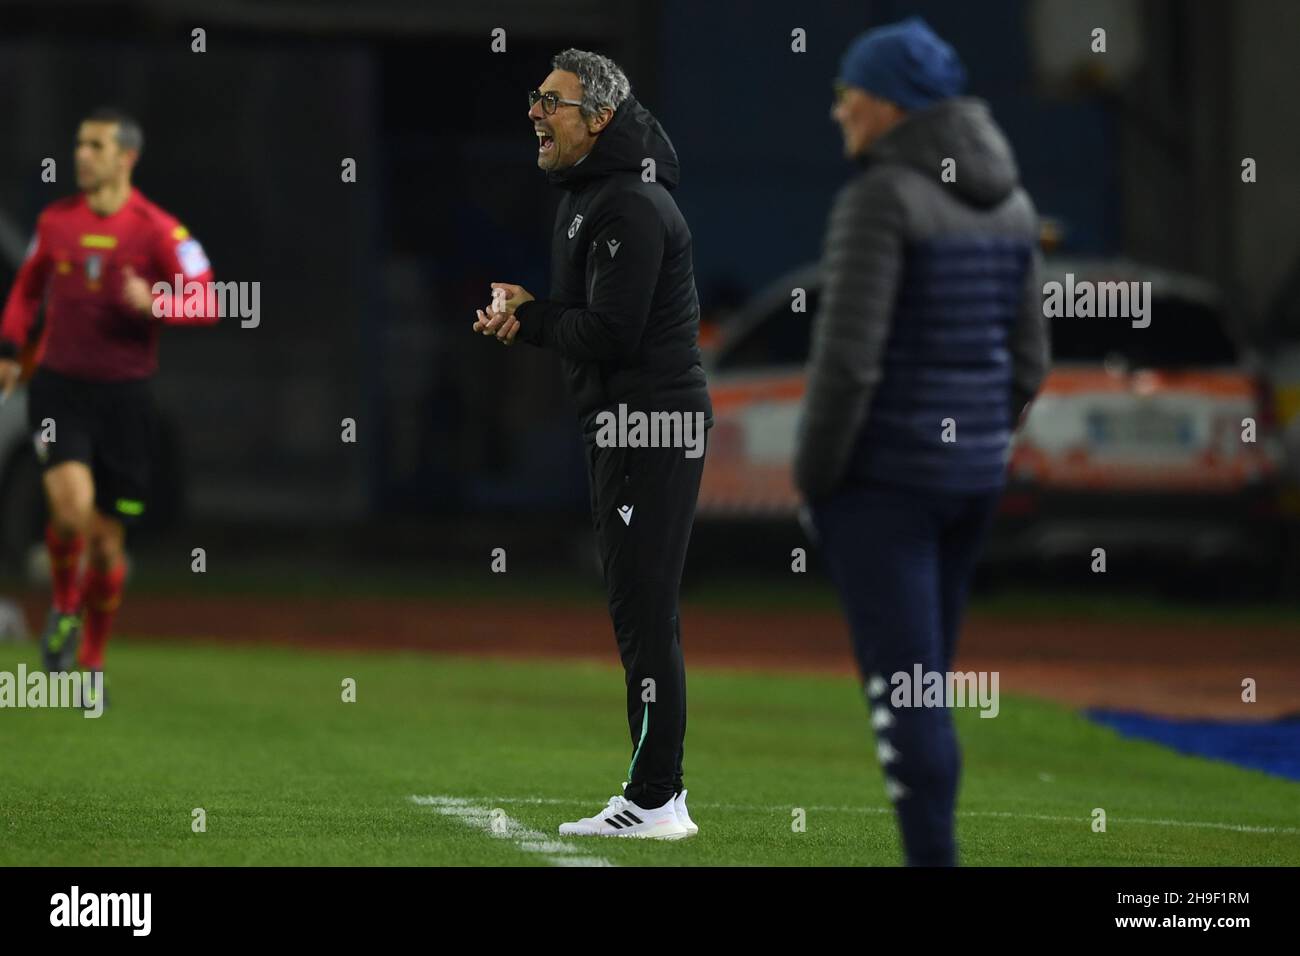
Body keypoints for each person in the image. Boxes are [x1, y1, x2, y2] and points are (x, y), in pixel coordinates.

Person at [794, 18, 1049, 865]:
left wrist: (815, 478)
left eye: (844, 95)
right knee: (927, 685)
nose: (837, 114)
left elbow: (847, 364)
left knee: (904, 694)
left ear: (883, 104)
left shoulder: (880, 199)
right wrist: (978, 444)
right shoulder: (1012, 205)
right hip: (971, 484)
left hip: (886, 486)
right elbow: (1029, 363)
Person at [475, 49, 712, 839]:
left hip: (649, 425)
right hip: (627, 423)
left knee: (645, 610)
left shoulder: (629, 204)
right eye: (536, 96)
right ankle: (657, 794)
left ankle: (656, 799)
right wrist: (534, 310)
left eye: (554, 101)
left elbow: (612, 333)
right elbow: (589, 315)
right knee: (639, 610)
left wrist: (535, 318)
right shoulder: (593, 194)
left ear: (600, 118)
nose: (536, 112)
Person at [0, 108, 218, 708]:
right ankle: (65, 604)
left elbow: (209, 299)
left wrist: (157, 304)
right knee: (70, 515)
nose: (82, 155)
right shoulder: (57, 221)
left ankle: (92, 657)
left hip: (123, 401)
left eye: (94, 145)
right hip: (59, 392)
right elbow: (26, 287)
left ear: (127, 157)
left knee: (107, 544)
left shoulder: (157, 231)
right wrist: (10, 348)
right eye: (78, 143)